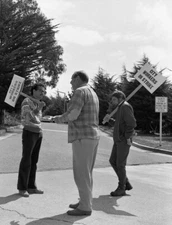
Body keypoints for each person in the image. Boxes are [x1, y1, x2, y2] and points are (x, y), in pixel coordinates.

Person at [53, 71, 100, 216]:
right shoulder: (92, 92)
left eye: (72, 80)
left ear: (78, 78)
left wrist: (57, 118)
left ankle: (85, 206)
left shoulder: (79, 92)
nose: (71, 83)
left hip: (81, 136)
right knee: (87, 173)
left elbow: (73, 114)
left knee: (81, 173)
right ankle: (85, 201)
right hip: (92, 136)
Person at [103, 91, 136, 196]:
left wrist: (127, 137)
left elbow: (131, 123)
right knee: (113, 161)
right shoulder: (120, 108)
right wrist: (110, 120)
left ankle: (122, 187)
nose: (112, 101)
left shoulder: (125, 107)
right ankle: (125, 182)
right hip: (118, 140)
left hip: (123, 141)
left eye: (114, 99)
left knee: (120, 164)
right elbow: (119, 123)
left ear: (120, 97)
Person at [17, 83, 46, 197]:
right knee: (26, 160)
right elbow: (26, 117)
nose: (42, 94)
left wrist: (39, 107)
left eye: (43, 92)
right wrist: (37, 109)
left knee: (34, 161)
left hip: (38, 132)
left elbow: (39, 119)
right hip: (29, 132)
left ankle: (31, 186)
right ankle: (22, 188)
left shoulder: (37, 102)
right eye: (40, 91)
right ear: (33, 91)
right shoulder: (26, 101)